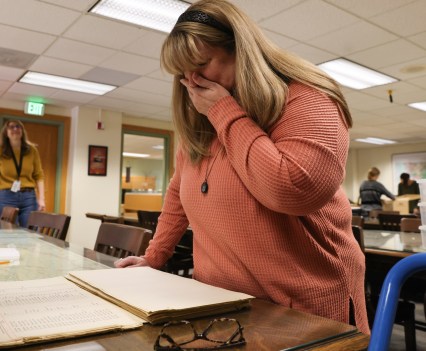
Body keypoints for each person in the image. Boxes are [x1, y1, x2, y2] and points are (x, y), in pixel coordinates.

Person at [116, 0, 369, 334]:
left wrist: (224, 111)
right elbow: (180, 193)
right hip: (222, 309)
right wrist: (154, 257)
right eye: (182, 74)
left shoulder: (309, 99)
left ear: (241, 51)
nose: (192, 81)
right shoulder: (203, 123)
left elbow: (291, 190)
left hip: (302, 312)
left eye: (202, 64)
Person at [0, 120, 45, 227]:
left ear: (22, 131)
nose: (15, 129)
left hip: (28, 197)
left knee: (31, 233)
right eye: (11, 127)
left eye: (18, 126)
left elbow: (39, 175)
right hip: (6, 196)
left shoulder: (32, 150)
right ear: (6, 132)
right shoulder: (1, 150)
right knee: (8, 234)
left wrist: (42, 199)